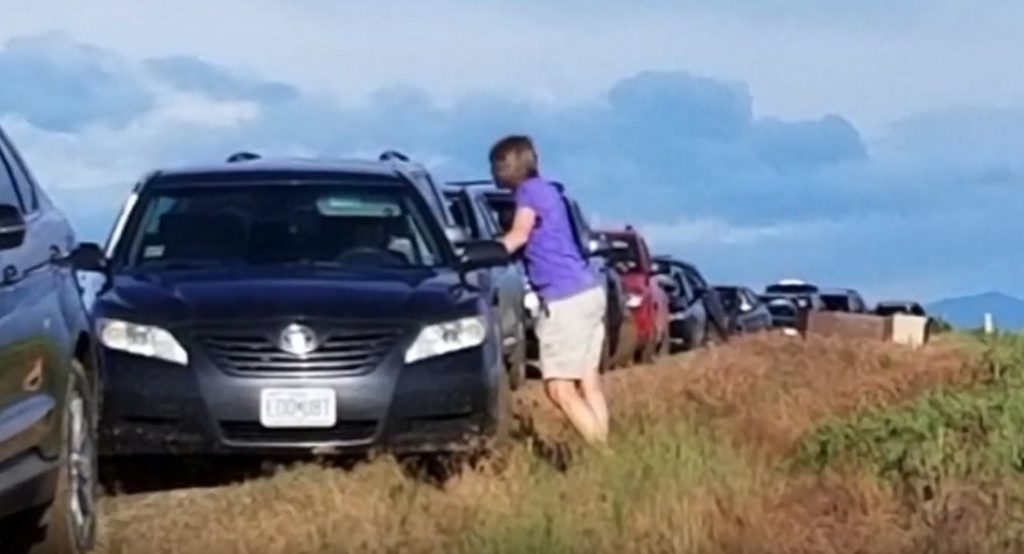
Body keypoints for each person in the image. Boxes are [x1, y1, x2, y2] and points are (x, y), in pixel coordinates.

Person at [490, 134, 609, 445]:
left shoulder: (528, 193)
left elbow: (518, 236)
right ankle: (604, 446)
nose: (494, 174)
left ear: (509, 166)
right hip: (588, 290)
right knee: (588, 382)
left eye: (496, 166)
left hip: (564, 297)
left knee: (558, 387)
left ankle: (601, 453)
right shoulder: (550, 192)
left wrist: (481, 252)